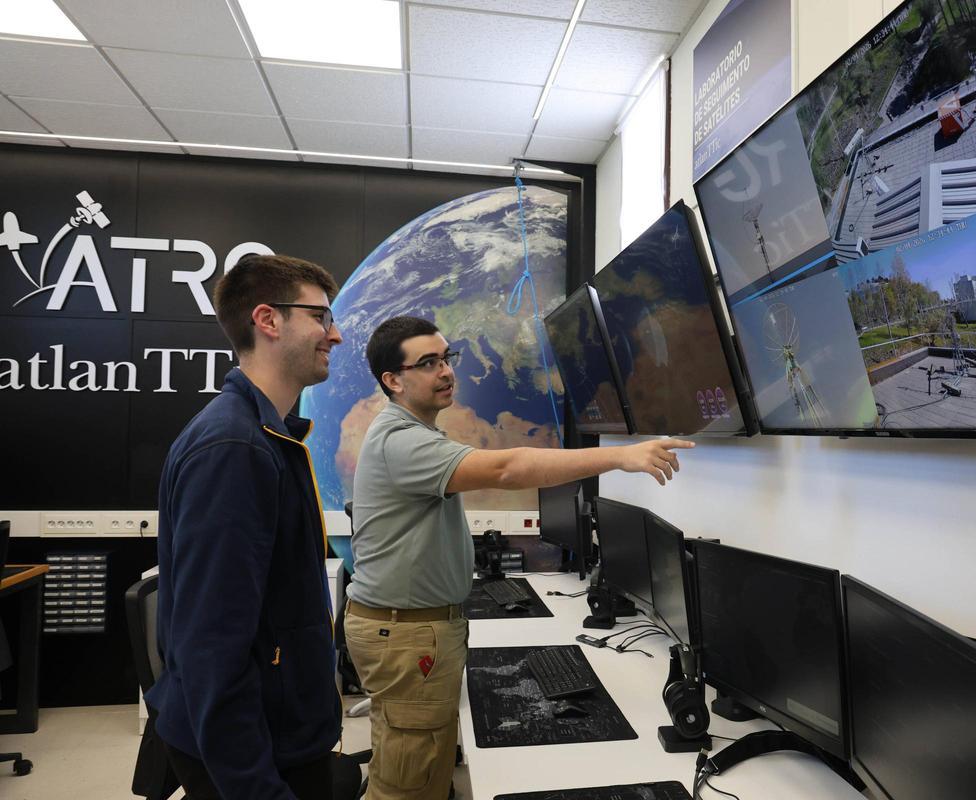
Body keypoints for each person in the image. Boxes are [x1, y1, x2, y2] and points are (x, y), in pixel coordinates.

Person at [345, 316, 694, 800]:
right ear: (393, 380)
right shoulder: (401, 440)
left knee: (417, 762)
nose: (446, 371)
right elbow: (509, 468)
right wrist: (620, 457)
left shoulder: (414, 433)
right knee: (407, 783)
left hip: (412, 627)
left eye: (448, 358)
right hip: (408, 632)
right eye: (428, 363)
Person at [147, 254, 345, 800]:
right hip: (257, 755)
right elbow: (211, 643)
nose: (337, 334)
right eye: (322, 317)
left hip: (275, 735)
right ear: (268, 320)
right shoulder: (234, 448)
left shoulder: (262, 435)